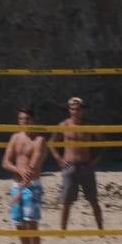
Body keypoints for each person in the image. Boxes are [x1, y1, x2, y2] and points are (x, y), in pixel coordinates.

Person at [1, 105, 48, 244]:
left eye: (26, 119)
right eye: (21, 119)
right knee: (19, 225)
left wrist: (21, 188)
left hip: (32, 186)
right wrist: (17, 170)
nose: (23, 122)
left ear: (33, 120)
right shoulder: (15, 137)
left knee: (31, 224)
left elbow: (33, 167)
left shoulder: (39, 140)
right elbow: (5, 162)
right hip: (16, 184)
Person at [48, 96, 104, 230]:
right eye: (72, 109)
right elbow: (51, 143)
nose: (75, 112)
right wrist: (59, 159)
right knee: (66, 202)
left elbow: (103, 144)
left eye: (78, 109)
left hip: (86, 165)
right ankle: (62, 231)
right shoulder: (64, 125)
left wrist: (95, 159)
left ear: (82, 110)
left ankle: (101, 228)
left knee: (93, 200)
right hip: (69, 165)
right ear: (69, 110)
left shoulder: (89, 126)